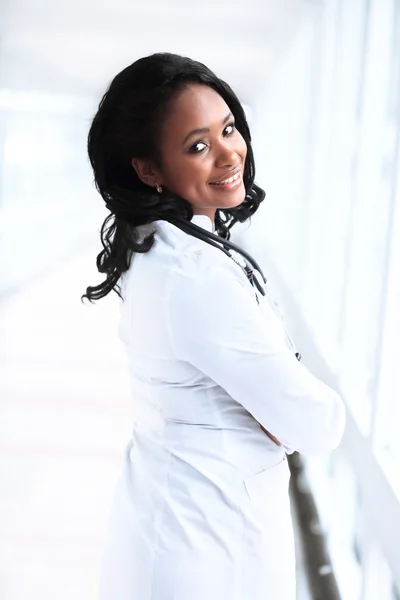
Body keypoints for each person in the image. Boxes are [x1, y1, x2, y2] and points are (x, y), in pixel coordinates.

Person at [83, 52, 346, 600]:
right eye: (197, 146)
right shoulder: (193, 278)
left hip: (179, 524)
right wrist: (284, 405)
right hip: (206, 551)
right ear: (149, 169)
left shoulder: (164, 248)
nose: (229, 153)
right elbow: (318, 426)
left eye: (228, 129)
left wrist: (273, 405)